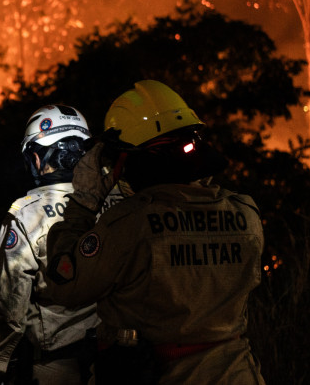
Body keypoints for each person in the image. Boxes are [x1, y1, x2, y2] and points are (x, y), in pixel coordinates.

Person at [46, 80, 266, 385]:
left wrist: (83, 204)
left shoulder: (129, 224)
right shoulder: (246, 214)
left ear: (132, 160)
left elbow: (65, 286)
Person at [0, 105, 101, 385]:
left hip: (56, 367)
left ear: (36, 156)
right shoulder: (119, 203)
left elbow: (9, 310)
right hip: (118, 364)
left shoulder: (25, 214)